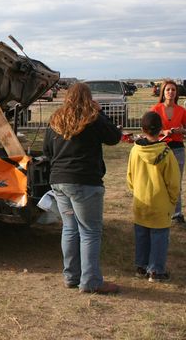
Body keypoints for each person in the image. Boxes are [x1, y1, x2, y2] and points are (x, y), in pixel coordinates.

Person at [43, 83, 122, 294]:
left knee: (70, 228)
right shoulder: (93, 119)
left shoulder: (55, 120)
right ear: (89, 98)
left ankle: (71, 277)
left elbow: (46, 150)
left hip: (59, 181)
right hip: (85, 182)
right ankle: (91, 281)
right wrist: (101, 112)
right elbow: (114, 137)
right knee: (89, 232)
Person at [127, 112, 180, 282]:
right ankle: (156, 270)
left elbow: (130, 175)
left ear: (142, 129)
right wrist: (173, 199)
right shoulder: (166, 152)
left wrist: (136, 190)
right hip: (161, 202)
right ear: (161, 129)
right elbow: (173, 181)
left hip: (141, 200)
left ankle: (141, 267)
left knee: (141, 234)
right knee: (159, 236)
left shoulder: (135, 150)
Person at [151, 80, 186, 224]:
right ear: (163, 92)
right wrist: (164, 131)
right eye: (168, 89)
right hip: (161, 147)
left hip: (178, 148)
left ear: (176, 92)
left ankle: (177, 213)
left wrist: (182, 131)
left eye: (173, 90)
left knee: (176, 182)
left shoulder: (182, 110)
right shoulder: (155, 109)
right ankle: (160, 211)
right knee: (159, 180)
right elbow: (150, 129)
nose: (171, 92)